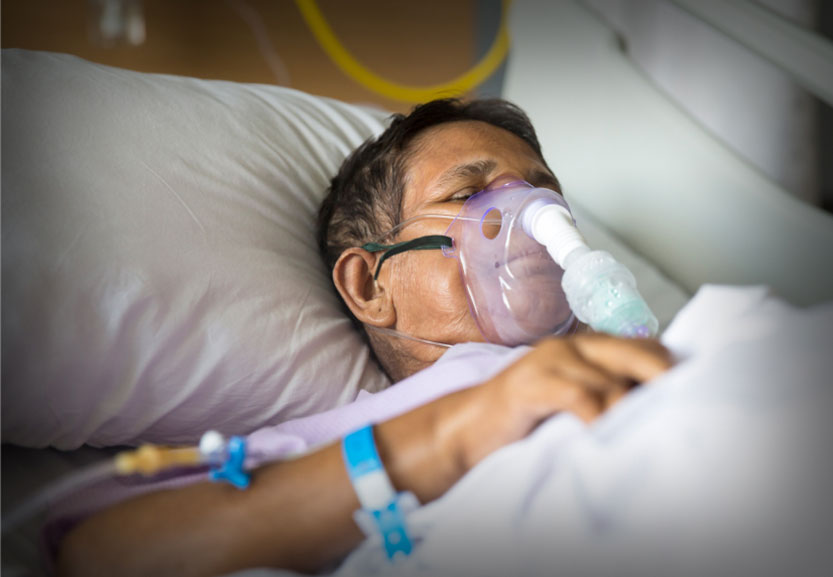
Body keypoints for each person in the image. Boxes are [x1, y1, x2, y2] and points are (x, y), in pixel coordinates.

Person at [56, 99, 672, 577]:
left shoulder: (645, 346)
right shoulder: (374, 429)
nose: (531, 215)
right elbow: (102, 555)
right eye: (466, 193)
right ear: (369, 286)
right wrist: (460, 428)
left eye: (544, 193)